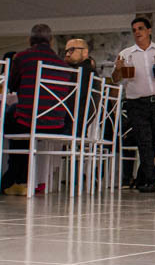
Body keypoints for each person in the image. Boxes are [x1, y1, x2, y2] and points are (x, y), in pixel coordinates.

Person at [112, 17, 155, 192]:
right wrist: (118, 69)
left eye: (141, 28)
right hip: (135, 102)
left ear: (149, 30)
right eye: (134, 29)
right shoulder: (126, 53)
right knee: (144, 139)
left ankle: (142, 180)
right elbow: (115, 79)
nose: (137, 32)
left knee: (154, 140)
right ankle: (152, 179)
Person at [1, 24, 72, 195]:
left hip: (29, 121)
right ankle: (20, 179)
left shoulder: (23, 58)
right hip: (56, 123)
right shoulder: (63, 65)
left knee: (12, 115)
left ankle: (15, 178)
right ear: (51, 40)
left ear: (29, 39)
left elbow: (11, 86)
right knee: (19, 115)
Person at [63, 38, 96, 135]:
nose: (67, 54)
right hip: (83, 126)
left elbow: (69, 101)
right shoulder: (91, 71)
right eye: (66, 51)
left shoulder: (80, 73)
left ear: (85, 52)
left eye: (72, 50)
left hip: (72, 126)